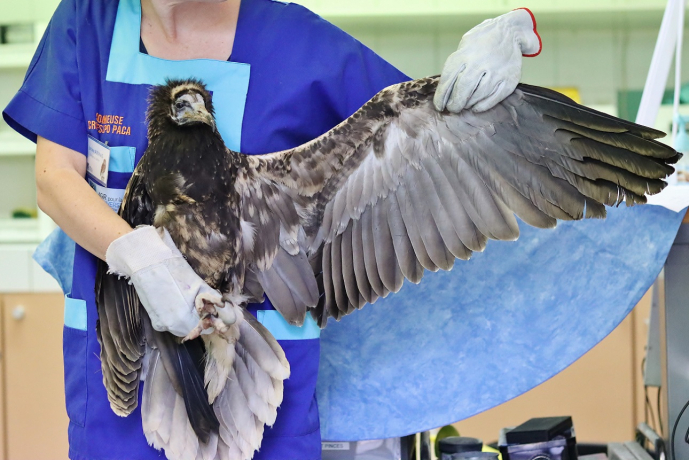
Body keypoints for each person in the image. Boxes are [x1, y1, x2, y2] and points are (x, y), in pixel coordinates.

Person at [2, 0, 540, 459]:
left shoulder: (300, 47)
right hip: (117, 364)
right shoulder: (86, 21)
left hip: (258, 384)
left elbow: (431, 134)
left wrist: (503, 41)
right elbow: (53, 178)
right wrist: (139, 255)